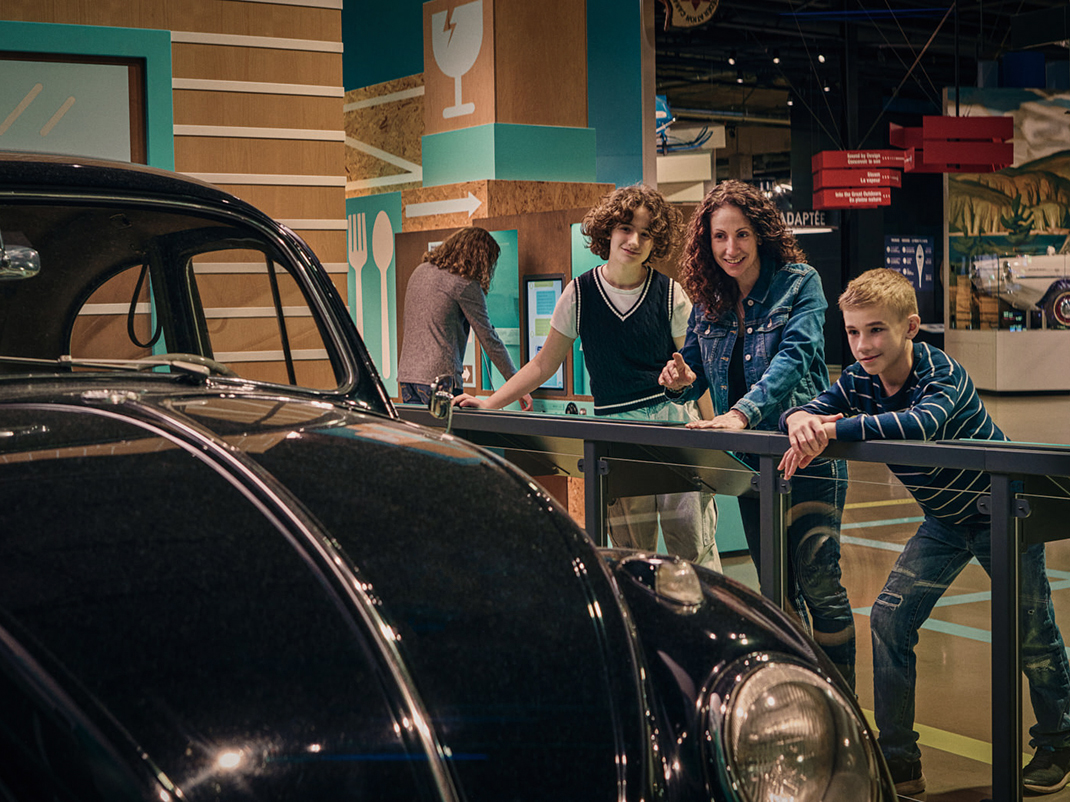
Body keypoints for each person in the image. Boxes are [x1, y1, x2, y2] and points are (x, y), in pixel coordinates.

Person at [779, 268, 1070, 797]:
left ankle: (1059, 741)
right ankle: (899, 762)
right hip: (946, 520)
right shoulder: (859, 380)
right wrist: (801, 416)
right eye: (852, 332)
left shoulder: (942, 372)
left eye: (876, 331)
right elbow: (809, 411)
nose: (862, 345)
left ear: (911, 326)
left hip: (1004, 512)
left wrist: (831, 427)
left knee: (1033, 634)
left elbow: (920, 424)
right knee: (890, 620)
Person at [454, 185, 720, 570]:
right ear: (608, 230)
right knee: (631, 553)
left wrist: (713, 429)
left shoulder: (670, 294)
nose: (634, 240)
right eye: (627, 228)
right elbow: (543, 365)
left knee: (693, 548)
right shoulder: (579, 294)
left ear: (655, 242)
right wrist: (490, 403)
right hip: (618, 432)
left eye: (646, 234)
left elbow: (696, 372)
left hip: (675, 424)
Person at [657, 179, 854, 689]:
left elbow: (795, 359)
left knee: (820, 587)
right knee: (775, 589)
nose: (731, 249)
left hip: (806, 458)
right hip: (748, 467)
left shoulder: (799, 282)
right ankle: (802, 695)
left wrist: (741, 415)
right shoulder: (708, 298)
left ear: (761, 234)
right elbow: (695, 374)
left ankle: (843, 700)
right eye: (720, 237)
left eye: (741, 235)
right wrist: (680, 383)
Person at [397, 226, 532, 410]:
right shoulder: (464, 283)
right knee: (447, 438)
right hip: (440, 379)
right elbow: (490, 340)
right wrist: (517, 385)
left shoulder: (419, 271)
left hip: (408, 377)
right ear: (481, 260)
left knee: (420, 437)